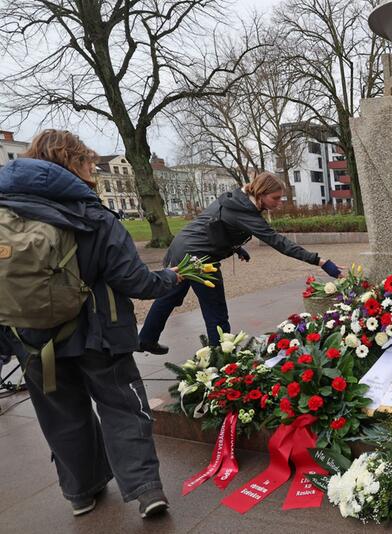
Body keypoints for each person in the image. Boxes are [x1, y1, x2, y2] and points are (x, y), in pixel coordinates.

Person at [0, 130, 180, 518]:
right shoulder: (94, 215)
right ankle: (146, 490)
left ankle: (81, 493)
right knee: (122, 408)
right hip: (100, 335)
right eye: (89, 163)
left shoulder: (5, 213)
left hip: (31, 340)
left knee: (61, 416)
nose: (93, 171)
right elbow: (134, 281)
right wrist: (171, 278)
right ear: (75, 163)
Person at [138, 172, 341, 352]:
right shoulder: (245, 210)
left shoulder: (236, 199)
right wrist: (320, 261)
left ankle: (146, 339)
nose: (279, 203)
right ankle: (221, 359)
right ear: (260, 194)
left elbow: (217, 226)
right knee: (215, 309)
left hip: (182, 248)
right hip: (198, 256)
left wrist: (235, 247)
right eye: (276, 198)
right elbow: (280, 242)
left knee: (169, 297)